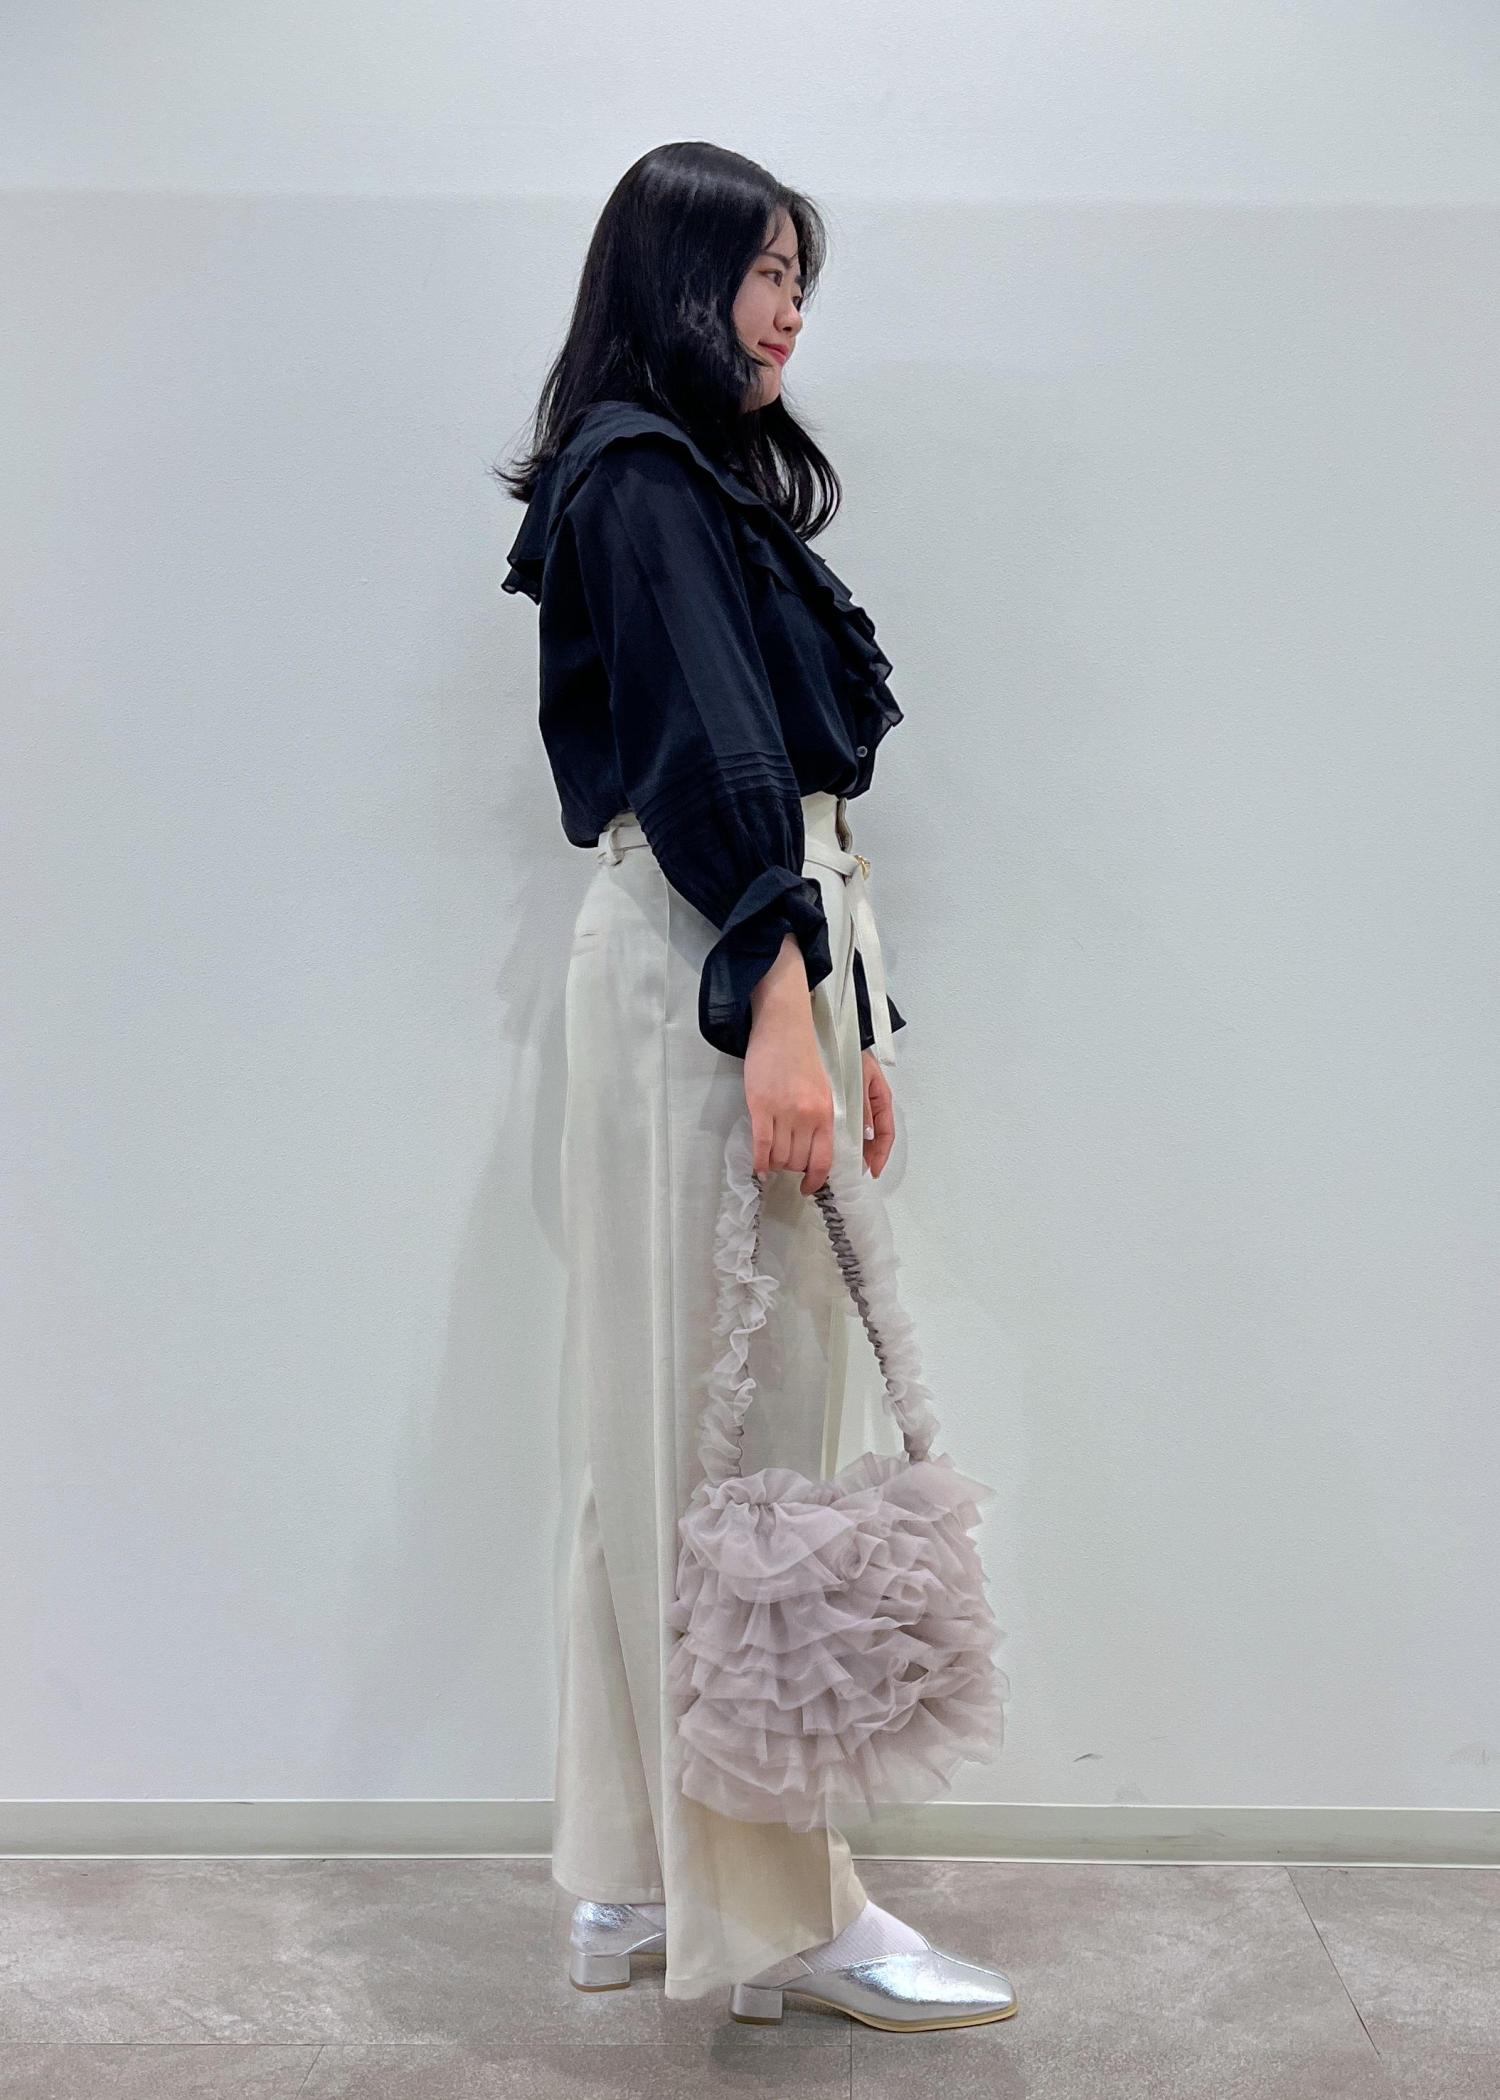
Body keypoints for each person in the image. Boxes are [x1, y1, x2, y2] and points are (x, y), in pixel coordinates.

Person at [494, 140, 1016, 2032]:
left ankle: (633, 1877)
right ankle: (783, 1912)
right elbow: (716, 765)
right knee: (739, 1448)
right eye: (764, 270)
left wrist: (844, 1019)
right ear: (676, 276)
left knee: (669, 1438)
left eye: (804, 275)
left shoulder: (677, 478)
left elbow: (759, 774)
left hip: (735, 958)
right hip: (718, 965)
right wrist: (788, 1009)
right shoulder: (643, 476)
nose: (789, 309)